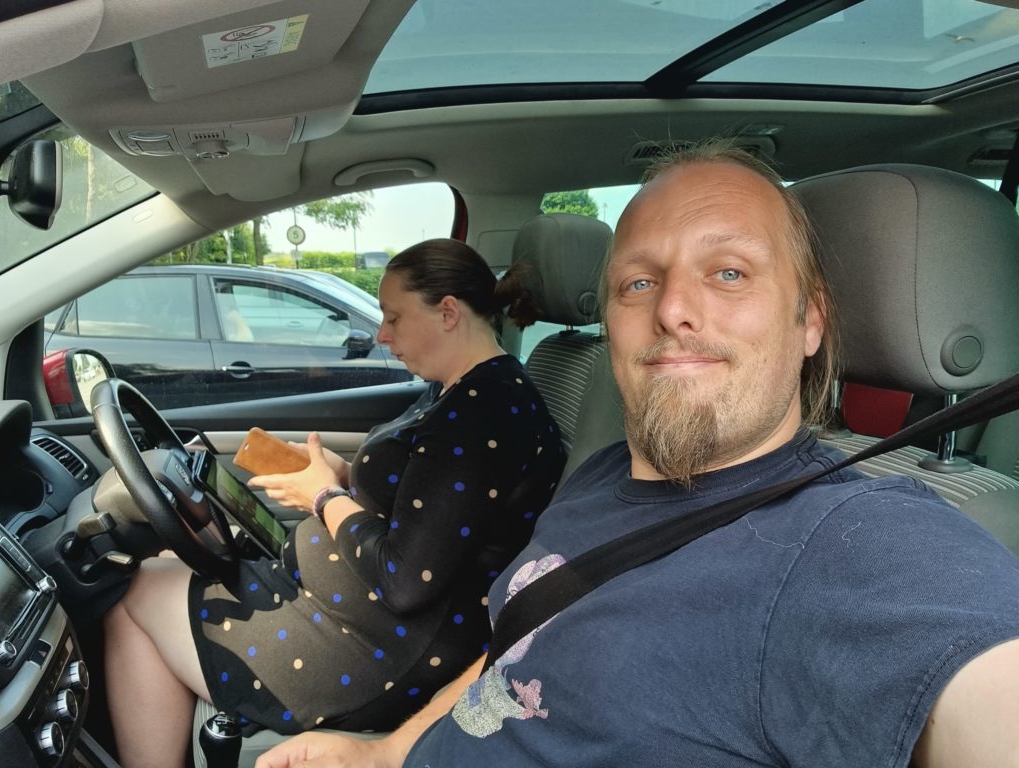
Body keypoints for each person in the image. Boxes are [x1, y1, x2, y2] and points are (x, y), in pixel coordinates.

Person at [256, 140, 1019, 768]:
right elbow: (518, 653)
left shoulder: (857, 543)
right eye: (638, 281)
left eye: (729, 272)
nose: (673, 308)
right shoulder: (603, 474)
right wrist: (385, 754)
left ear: (809, 320)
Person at [103, 239, 566, 768]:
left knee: (132, 595)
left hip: (383, 648)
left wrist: (324, 496)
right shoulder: (456, 388)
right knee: (161, 566)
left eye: (393, 316)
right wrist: (343, 477)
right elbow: (430, 497)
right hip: (348, 611)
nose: (381, 333)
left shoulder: (488, 409)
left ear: (448, 312)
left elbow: (407, 582)